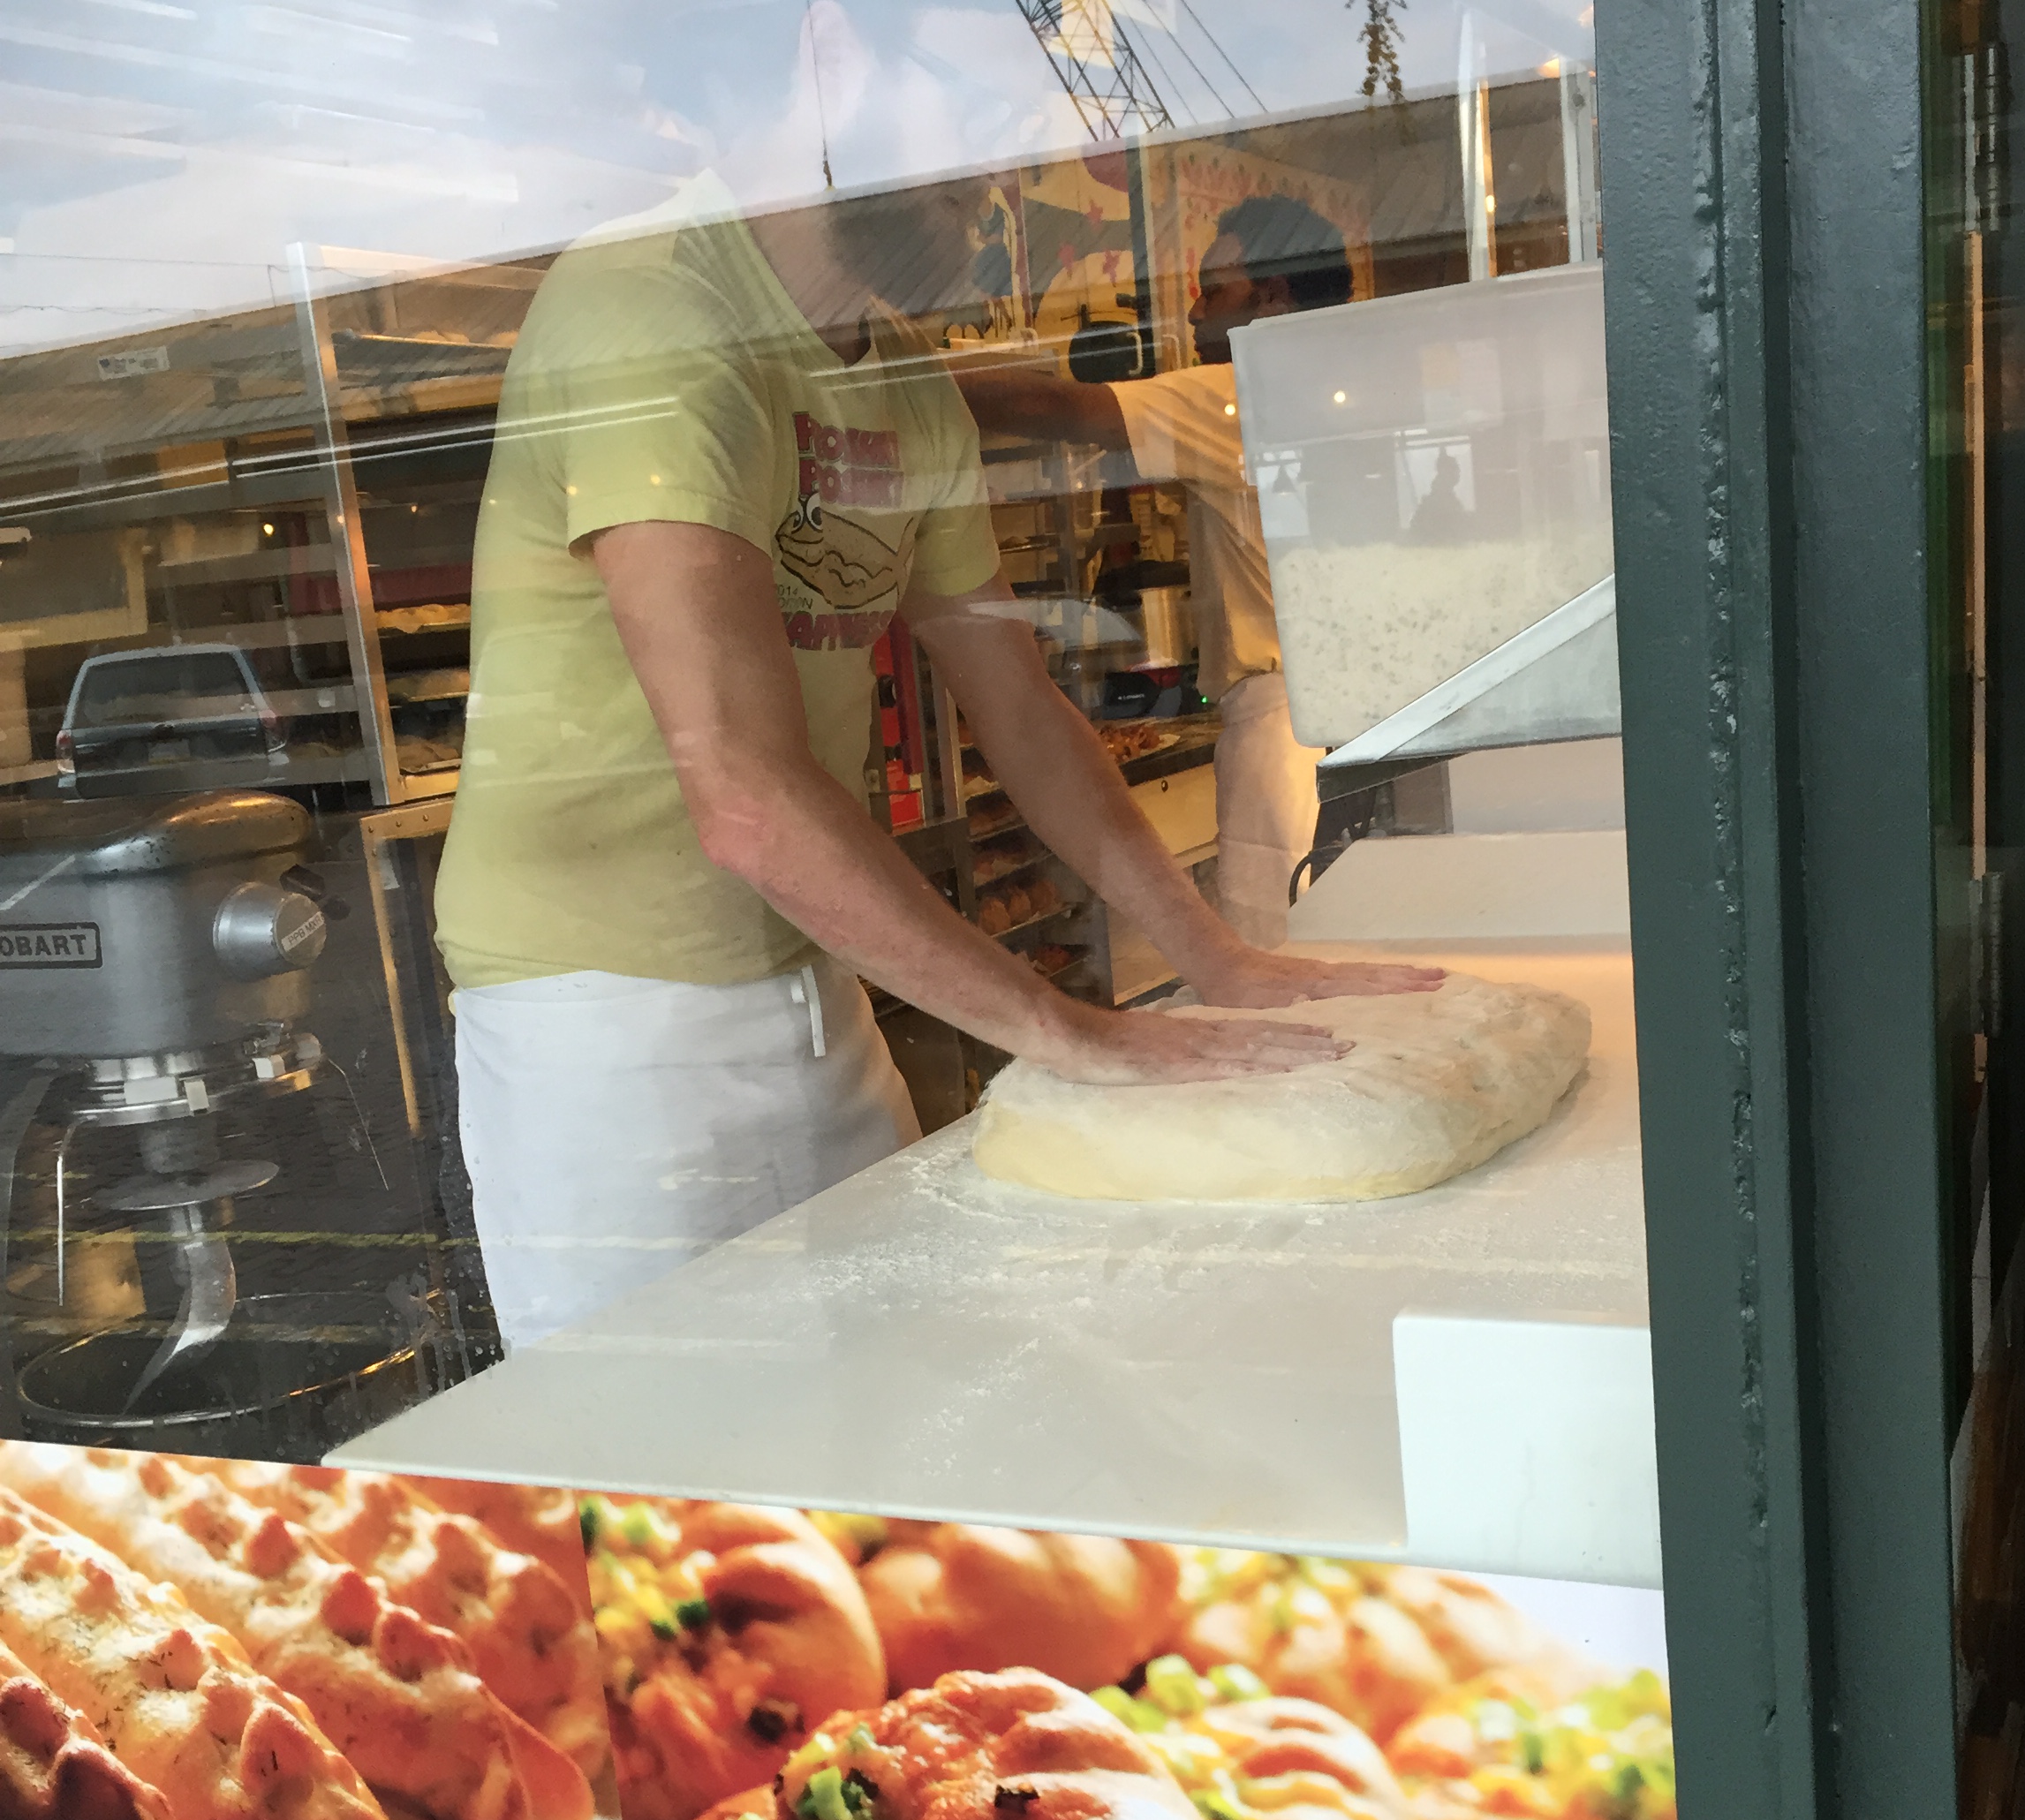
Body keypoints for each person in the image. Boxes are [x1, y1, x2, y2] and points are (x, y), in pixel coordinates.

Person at [433, 174, 1440, 1350]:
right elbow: (744, 795)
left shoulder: (904, 381)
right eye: (959, 122)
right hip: (604, 1018)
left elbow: (1017, 704)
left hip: (815, 976)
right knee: (662, 1440)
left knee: (888, 1393)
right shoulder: (651, 309)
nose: (994, 184)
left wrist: (1215, 958)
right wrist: (1069, 1032)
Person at [951, 192, 1347, 949]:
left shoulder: (1246, 395)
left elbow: (1060, 410)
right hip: (1356, 722)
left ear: (1273, 297)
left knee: (1279, 961)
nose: (1193, 313)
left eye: (1214, 292)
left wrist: (897, 385)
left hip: (1284, 733)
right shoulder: (1347, 389)